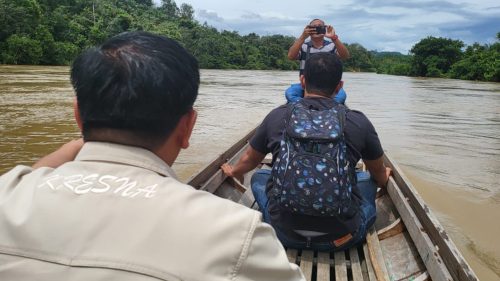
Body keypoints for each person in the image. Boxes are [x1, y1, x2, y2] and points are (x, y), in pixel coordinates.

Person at [0, 31, 305, 281]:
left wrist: (80, 144)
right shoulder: (237, 233)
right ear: (187, 127)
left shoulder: (8, 194)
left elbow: (29, 178)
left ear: (78, 116)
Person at [222, 52, 391, 251]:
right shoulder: (358, 121)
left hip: (283, 233)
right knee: (367, 180)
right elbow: (379, 172)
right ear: (339, 86)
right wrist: (383, 177)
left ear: (302, 81)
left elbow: (249, 159)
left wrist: (234, 172)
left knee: (259, 176)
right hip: (342, 238)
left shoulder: (278, 116)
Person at [285, 18, 350, 104]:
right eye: (313, 27)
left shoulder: (332, 46)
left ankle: (318, 106)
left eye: (319, 27)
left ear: (325, 29)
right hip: (307, 86)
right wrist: (303, 36)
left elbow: (345, 56)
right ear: (308, 29)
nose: (316, 29)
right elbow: (291, 56)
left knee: (341, 96)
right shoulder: (303, 46)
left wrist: (334, 38)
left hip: (329, 86)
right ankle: (305, 105)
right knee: (290, 93)